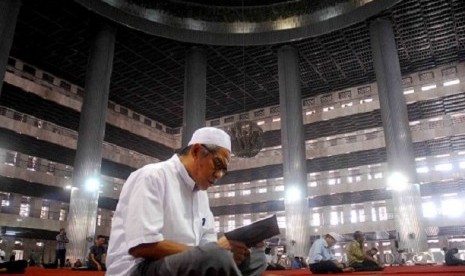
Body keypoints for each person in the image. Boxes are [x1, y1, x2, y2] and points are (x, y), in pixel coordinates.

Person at [106, 127, 267, 276]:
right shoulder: (152, 176)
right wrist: (213, 251)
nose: (218, 175)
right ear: (196, 151)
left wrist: (229, 250)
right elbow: (141, 246)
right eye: (217, 164)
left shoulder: (201, 195)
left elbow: (207, 245)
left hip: (186, 265)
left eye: (223, 171)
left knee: (256, 260)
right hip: (139, 268)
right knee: (216, 257)